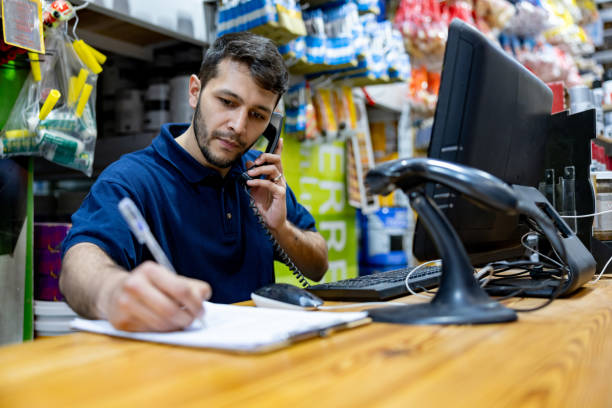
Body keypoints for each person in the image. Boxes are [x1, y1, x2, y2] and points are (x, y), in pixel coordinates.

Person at [59, 32, 329, 332]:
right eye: (227, 102)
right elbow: (78, 266)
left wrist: (281, 228)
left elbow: (317, 266)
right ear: (194, 91)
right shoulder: (131, 180)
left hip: (256, 360)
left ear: (271, 126)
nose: (238, 127)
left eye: (257, 115)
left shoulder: (260, 178)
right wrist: (114, 291)